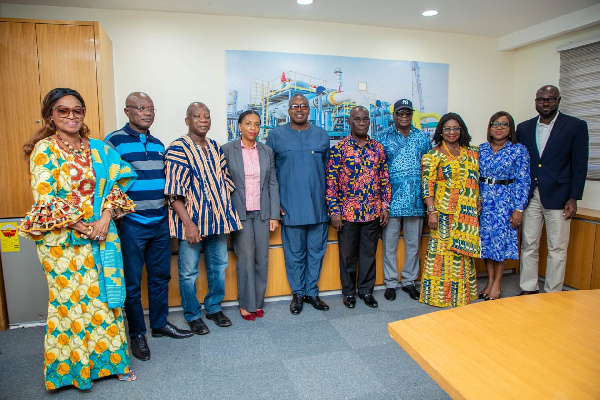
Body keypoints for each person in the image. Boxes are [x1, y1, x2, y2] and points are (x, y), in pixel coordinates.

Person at [19, 88, 137, 390]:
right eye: (63, 111)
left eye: (77, 110)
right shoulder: (45, 150)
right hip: (62, 240)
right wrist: (85, 227)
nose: (71, 116)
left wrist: (106, 218)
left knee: (106, 300)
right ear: (51, 115)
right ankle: (75, 372)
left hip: (103, 232)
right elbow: (46, 197)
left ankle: (114, 363)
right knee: (70, 304)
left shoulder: (99, 148)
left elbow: (117, 182)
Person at [104, 92, 193, 362]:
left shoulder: (157, 144)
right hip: (131, 224)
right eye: (141, 108)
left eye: (151, 108)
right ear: (127, 111)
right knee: (131, 283)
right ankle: (137, 334)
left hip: (159, 223)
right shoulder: (113, 142)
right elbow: (107, 183)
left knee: (160, 278)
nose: (147, 112)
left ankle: (159, 324)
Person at [164, 102, 242, 331]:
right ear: (187, 121)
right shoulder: (177, 148)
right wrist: (188, 224)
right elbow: (173, 193)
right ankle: (192, 314)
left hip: (216, 222)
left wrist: (226, 213)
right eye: (197, 116)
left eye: (207, 116)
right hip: (192, 223)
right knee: (188, 272)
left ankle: (214, 308)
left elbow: (225, 182)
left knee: (219, 267)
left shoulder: (216, 147)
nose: (203, 120)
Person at [516, 85, 589, 295]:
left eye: (550, 99)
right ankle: (528, 288)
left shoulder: (575, 126)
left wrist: (574, 197)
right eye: (541, 99)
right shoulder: (524, 128)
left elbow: (579, 164)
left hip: (560, 196)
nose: (545, 103)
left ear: (559, 100)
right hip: (531, 195)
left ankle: (553, 292)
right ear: (535, 101)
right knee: (529, 244)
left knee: (557, 247)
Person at [266, 94, 330, 315]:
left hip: (318, 207)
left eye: (303, 106)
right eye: (295, 106)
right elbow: (270, 174)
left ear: (309, 110)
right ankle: (298, 294)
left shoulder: (322, 136)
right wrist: (276, 205)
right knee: (295, 255)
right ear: (288, 110)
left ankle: (312, 292)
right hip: (290, 206)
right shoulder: (275, 136)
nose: (299, 109)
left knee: (316, 252)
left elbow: (327, 172)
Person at [326, 106, 391, 309]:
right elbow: (331, 182)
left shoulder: (377, 148)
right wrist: (334, 211)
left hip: (372, 211)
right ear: (349, 122)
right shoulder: (339, 149)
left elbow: (384, 179)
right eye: (357, 119)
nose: (362, 123)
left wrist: (385, 206)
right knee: (347, 256)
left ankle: (366, 291)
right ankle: (349, 293)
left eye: (365, 119)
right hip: (347, 213)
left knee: (368, 254)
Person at [222, 110, 280, 320]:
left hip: (263, 212)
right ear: (239, 126)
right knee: (246, 258)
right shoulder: (227, 150)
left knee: (262, 259)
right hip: (240, 213)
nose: (253, 128)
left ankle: (257, 302)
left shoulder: (266, 151)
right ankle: (246, 304)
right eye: (248, 124)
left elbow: (272, 182)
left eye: (256, 124)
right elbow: (223, 184)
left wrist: (274, 214)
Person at [420, 112, 480, 307]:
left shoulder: (471, 153)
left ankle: (460, 295)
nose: (452, 132)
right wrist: (432, 211)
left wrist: (477, 199)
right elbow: (427, 185)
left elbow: (476, 180)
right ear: (441, 131)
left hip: (466, 213)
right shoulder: (434, 154)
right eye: (447, 128)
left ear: (461, 130)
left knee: (463, 253)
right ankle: (440, 297)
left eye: (455, 128)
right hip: (443, 212)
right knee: (443, 254)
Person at [374, 99, 431, 302]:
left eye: (407, 112)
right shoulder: (381, 137)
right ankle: (390, 283)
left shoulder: (422, 138)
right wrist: (381, 202)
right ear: (394, 115)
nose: (404, 115)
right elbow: (378, 171)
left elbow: (428, 169)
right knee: (389, 245)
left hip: (416, 200)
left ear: (412, 113)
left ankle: (409, 282)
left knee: (413, 245)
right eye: (400, 112)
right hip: (391, 200)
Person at [478, 111, 530, 300]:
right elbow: (474, 177)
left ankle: (497, 284)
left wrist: (519, 208)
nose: (499, 128)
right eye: (495, 124)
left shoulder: (518, 150)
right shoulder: (481, 149)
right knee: (487, 244)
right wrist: (476, 198)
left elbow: (523, 181)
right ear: (489, 128)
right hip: (484, 202)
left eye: (504, 124)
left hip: (505, 202)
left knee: (500, 244)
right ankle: (490, 281)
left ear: (510, 129)